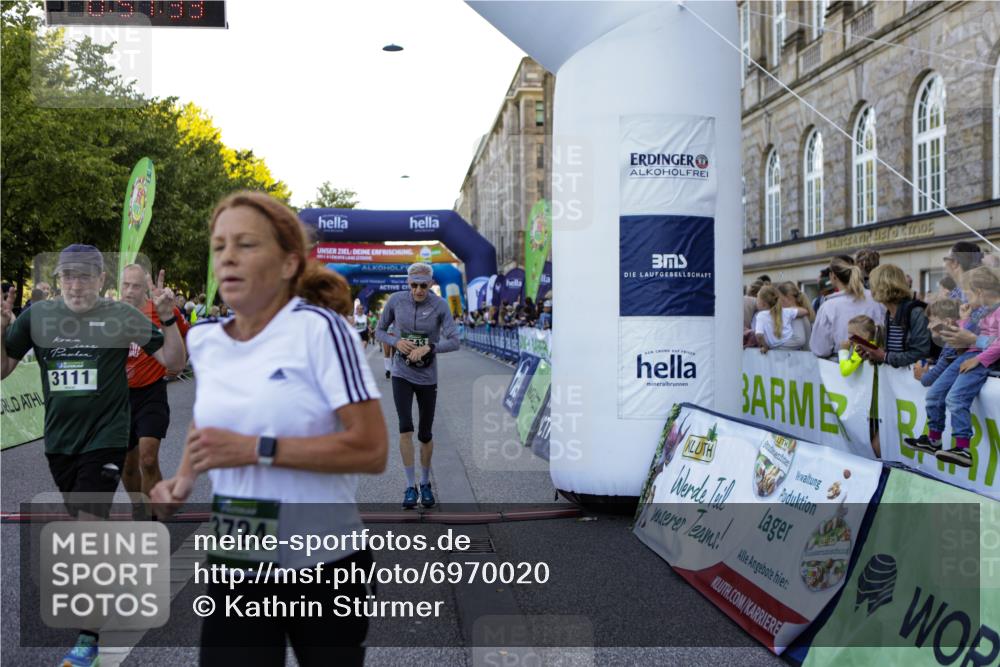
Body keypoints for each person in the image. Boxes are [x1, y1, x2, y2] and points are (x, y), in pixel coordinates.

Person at [151, 191, 388, 665]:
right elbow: (210, 417)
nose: (228, 258)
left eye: (246, 244)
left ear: (288, 263)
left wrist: (257, 449)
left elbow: (371, 449)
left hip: (323, 562)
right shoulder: (207, 340)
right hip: (240, 559)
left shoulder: (322, 330)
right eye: (219, 246)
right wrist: (182, 480)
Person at [1, 244, 185, 667]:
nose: (76, 285)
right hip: (60, 443)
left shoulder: (120, 316)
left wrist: (169, 318)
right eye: (68, 276)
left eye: (85, 276)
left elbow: (173, 363)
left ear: (101, 280)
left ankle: (88, 641)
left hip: (106, 437)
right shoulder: (37, 317)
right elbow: (3, 368)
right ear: (59, 279)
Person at [375, 263, 460, 509]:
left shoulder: (440, 305)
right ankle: (410, 486)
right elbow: (379, 331)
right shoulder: (396, 301)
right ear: (408, 283)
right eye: (414, 285)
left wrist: (430, 347)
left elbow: (455, 341)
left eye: (424, 285)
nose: (419, 290)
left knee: (425, 434)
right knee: (405, 428)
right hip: (401, 374)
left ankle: (425, 483)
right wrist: (396, 342)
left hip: (427, 377)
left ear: (431, 284)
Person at [903, 267, 1000, 467]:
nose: (965, 300)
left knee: (955, 398)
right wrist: (964, 319)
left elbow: (996, 343)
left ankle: (962, 448)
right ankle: (933, 439)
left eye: (968, 294)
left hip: (979, 360)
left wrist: (978, 359)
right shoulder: (980, 311)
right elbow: (961, 339)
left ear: (979, 292)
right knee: (934, 395)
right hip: (968, 356)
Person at [119, 264, 190, 519]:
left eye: (136, 286)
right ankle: (139, 506)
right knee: (128, 466)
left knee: (148, 459)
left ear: (144, 289)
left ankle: (151, 515)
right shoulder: (110, 314)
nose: (130, 291)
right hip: (119, 398)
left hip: (152, 392)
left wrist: (177, 362)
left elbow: (185, 337)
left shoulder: (160, 309)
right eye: (126, 285)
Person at [809, 256, 885, 359]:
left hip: (842, 363)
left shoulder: (828, 307)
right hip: (876, 361)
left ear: (833, 276)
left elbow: (820, 349)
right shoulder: (876, 298)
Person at [913, 298, 962, 387]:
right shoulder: (950, 344)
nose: (928, 326)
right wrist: (931, 361)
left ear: (947, 322)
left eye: (931, 321)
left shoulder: (952, 345)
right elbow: (944, 363)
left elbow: (933, 377)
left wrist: (922, 375)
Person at [753, 285, 809, 353]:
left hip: (775, 347)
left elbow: (759, 335)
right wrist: (791, 309)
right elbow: (805, 311)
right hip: (791, 343)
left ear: (763, 304)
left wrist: (765, 346)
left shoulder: (760, 315)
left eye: (757, 299)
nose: (756, 301)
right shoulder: (785, 311)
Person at [777, 281, 814, 350]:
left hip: (802, 356)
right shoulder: (796, 312)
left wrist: (774, 346)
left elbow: (799, 340)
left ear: (787, 298)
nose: (777, 301)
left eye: (778, 297)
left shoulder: (796, 314)